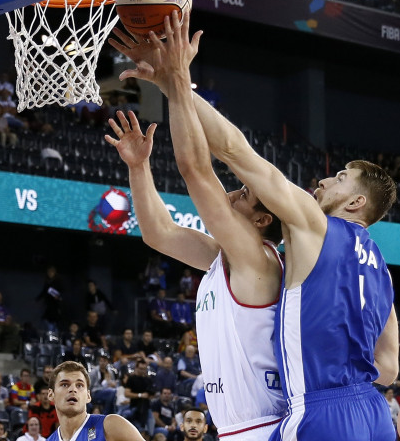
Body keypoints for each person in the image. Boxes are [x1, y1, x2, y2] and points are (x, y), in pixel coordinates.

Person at [109, 11, 398, 440]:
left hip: (303, 411)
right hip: (369, 410)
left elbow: (227, 153)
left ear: (357, 201)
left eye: (338, 178)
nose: (322, 179)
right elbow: (388, 368)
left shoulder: (305, 228)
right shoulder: (379, 268)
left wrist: (176, 81)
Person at [106, 45, 286, 441]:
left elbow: (196, 170)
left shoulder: (257, 261)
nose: (233, 196)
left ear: (261, 220)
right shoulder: (225, 259)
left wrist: (176, 82)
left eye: (243, 193)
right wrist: (139, 168)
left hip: (266, 427)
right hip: (238, 428)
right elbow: (159, 233)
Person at [45, 361, 143, 441]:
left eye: (79, 385)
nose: (73, 389)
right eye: (65, 384)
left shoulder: (110, 426)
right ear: (51, 394)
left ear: (88, 396)